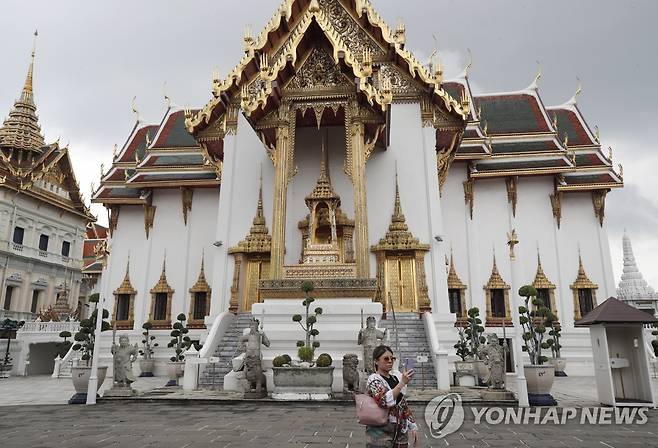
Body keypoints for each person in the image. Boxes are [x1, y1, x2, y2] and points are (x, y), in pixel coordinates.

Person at [365, 345, 419, 447]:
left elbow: (403, 404)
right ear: (376, 361)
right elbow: (383, 400)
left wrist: (413, 426)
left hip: (400, 428)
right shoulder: (374, 379)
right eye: (386, 358)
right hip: (380, 429)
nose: (390, 361)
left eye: (392, 358)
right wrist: (402, 383)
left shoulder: (395, 378)